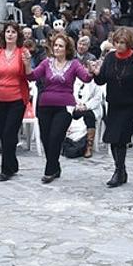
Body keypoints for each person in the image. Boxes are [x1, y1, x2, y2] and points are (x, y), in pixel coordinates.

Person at [31, 32, 94, 184]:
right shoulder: (46, 63)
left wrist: (92, 70)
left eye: (61, 46)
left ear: (67, 49)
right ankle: (56, 166)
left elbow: (85, 78)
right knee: (45, 138)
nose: (57, 48)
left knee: (55, 137)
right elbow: (32, 76)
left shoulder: (74, 64)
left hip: (64, 106)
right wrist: (26, 64)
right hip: (45, 104)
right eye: (56, 45)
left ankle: (49, 170)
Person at [92, 27, 133, 188]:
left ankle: (118, 171)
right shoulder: (110, 57)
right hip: (114, 103)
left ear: (128, 43)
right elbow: (102, 80)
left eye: (123, 42)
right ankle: (121, 171)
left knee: (121, 137)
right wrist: (95, 72)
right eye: (117, 42)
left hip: (130, 103)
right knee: (111, 137)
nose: (119, 45)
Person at [0, 24, 32, 180]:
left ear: (17, 35)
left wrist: (27, 64)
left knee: (8, 134)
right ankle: (13, 164)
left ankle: (6, 169)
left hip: (17, 99)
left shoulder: (22, 53)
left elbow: (28, 75)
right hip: (0, 99)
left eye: (13, 32)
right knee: (4, 134)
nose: (10, 35)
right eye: (7, 32)